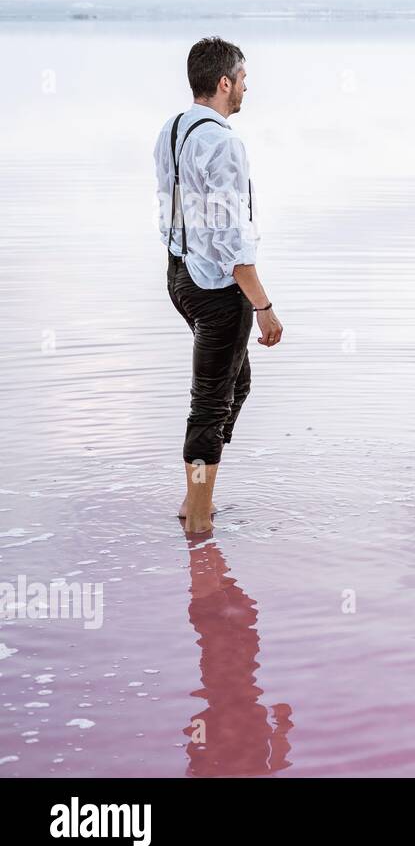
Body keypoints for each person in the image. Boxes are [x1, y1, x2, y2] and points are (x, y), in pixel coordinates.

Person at [154, 36, 283, 534]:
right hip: (216, 289)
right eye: (244, 78)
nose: (247, 87)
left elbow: (175, 210)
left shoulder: (172, 129)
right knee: (211, 402)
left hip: (179, 275)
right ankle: (199, 519)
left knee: (236, 384)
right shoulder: (224, 142)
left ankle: (195, 497)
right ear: (224, 82)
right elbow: (233, 243)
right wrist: (264, 306)